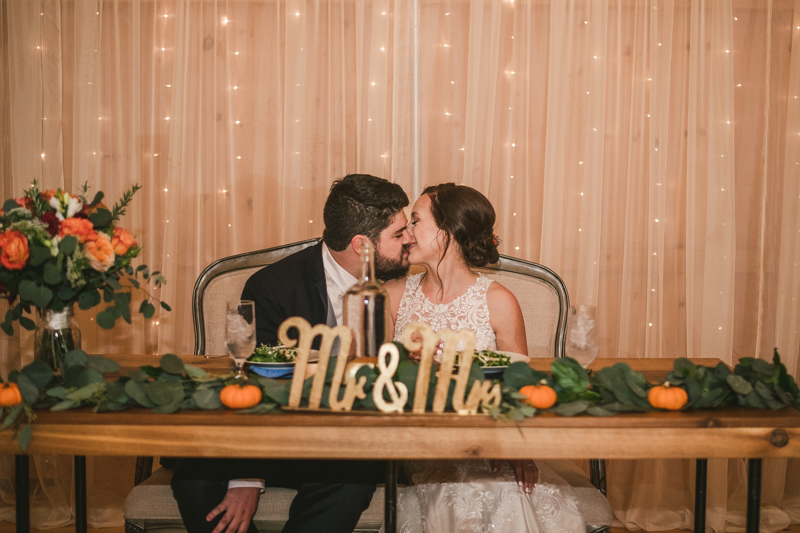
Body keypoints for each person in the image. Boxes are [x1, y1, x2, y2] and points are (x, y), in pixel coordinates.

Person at [171, 174, 413, 533]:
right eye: (398, 233)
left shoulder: (404, 287)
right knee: (193, 478)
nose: (410, 238)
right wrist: (246, 477)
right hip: (280, 437)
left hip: (352, 442)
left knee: (350, 478)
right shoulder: (271, 286)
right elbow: (253, 382)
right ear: (361, 244)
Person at [383, 183, 587, 532]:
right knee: (462, 488)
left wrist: (518, 451)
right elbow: (380, 381)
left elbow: (516, 388)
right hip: (419, 441)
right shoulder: (392, 295)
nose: (406, 233)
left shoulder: (498, 301)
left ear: (448, 232)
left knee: (503, 490)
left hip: (488, 438)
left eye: (415, 221)